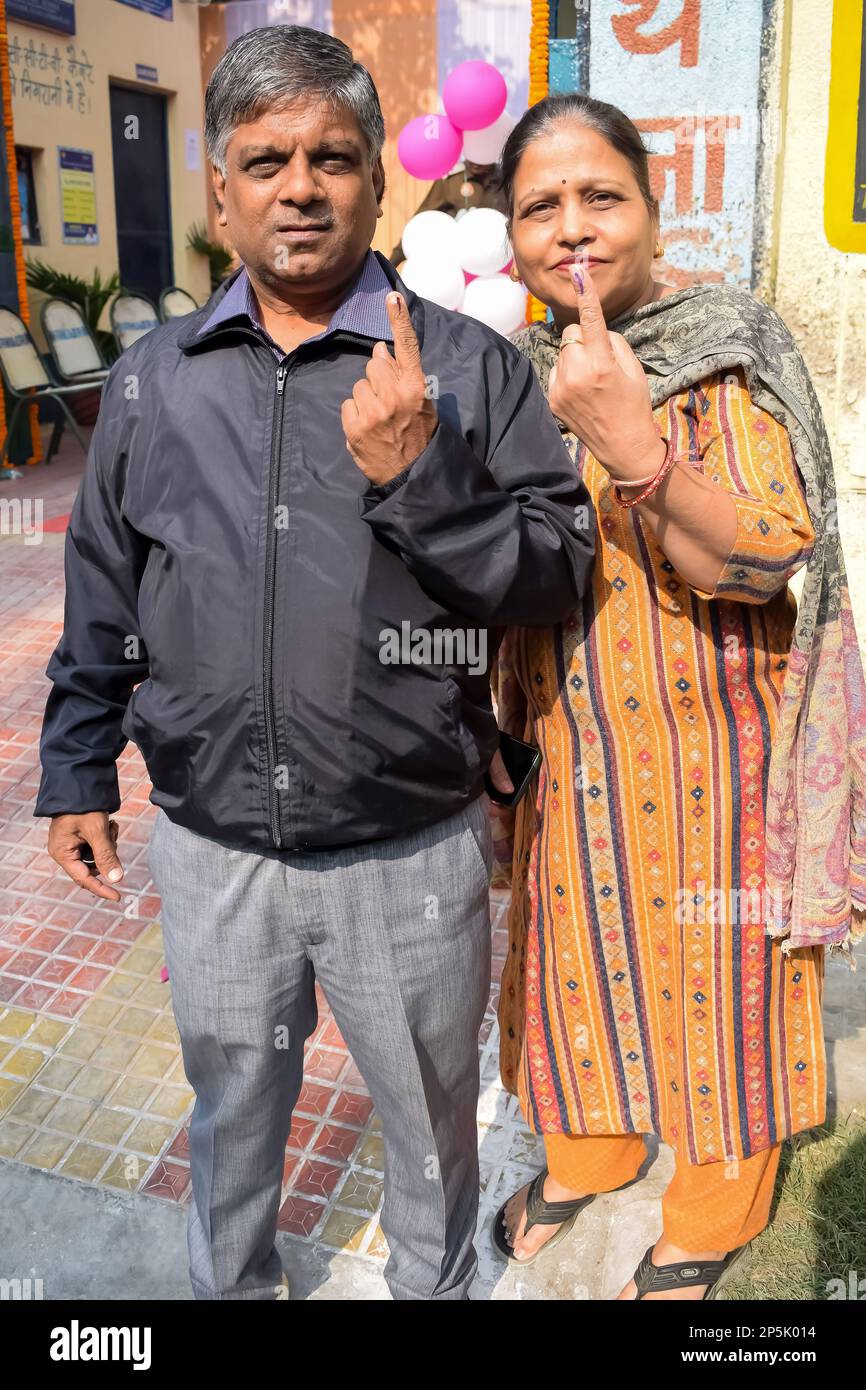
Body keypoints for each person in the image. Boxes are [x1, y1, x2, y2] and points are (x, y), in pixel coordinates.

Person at [33, 30, 595, 1302]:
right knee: (232, 1111)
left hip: (405, 850)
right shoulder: (153, 380)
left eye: (332, 157)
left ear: (375, 183)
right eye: (266, 160)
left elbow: (555, 571)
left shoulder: (463, 368)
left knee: (429, 1126)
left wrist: (423, 479)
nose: (301, 186)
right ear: (220, 191)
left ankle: (432, 1289)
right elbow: (106, 587)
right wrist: (76, 764)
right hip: (214, 846)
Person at [487, 92, 866, 1300]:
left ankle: (708, 1213)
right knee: (572, 965)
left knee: (722, 995)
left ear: (652, 210)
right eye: (541, 204)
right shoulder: (515, 369)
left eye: (600, 195)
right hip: (570, 745)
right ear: (510, 235)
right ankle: (590, 1149)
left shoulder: (721, 345)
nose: (574, 226)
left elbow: (769, 555)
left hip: (719, 754)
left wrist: (634, 445)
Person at [388, 157, 508, 266]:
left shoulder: (508, 179)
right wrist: (392, 264)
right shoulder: (452, 179)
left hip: (500, 265)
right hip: (458, 269)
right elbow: (421, 221)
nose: (475, 160)